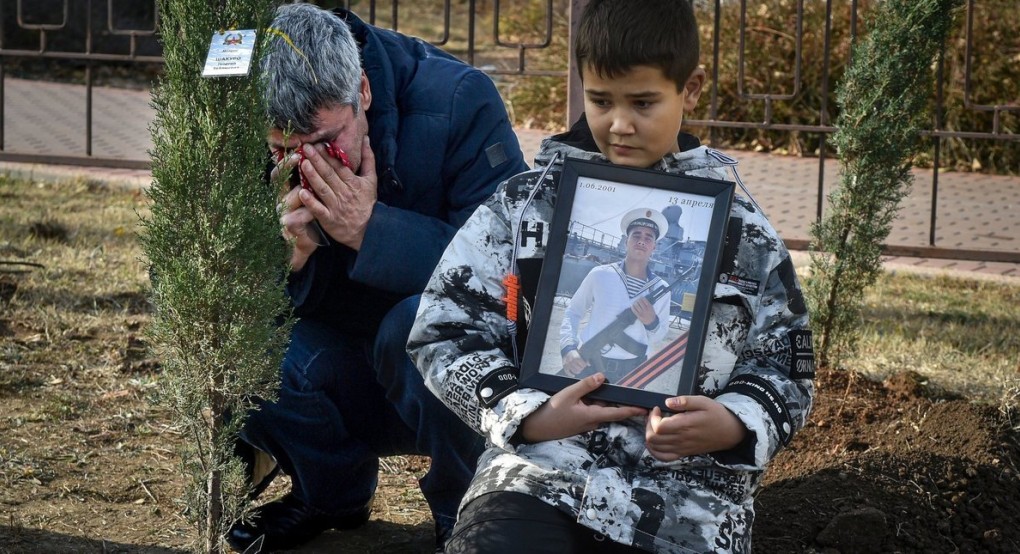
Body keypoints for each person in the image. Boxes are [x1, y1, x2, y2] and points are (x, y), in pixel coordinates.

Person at [407, 1, 815, 552]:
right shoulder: (526, 208)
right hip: (537, 477)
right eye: (600, 100)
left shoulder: (743, 236)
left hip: (688, 503)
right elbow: (444, 329)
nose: (619, 124)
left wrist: (733, 422)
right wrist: (529, 414)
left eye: (643, 102)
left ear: (690, 90)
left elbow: (786, 363)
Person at [227, 4, 528, 553]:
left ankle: (466, 512)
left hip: (442, 381)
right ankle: (329, 493)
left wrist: (373, 232)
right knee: (235, 333)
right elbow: (212, 285)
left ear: (362, 91)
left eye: (326, 140)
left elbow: (511, 275)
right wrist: (280, 265)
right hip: (336, 362)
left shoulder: (459, 99)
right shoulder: (242, 123)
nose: (308, 165)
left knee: (415, 323)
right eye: (285, 151)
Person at [559, 208, 671, 382]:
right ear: (626, 241)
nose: (642, 241)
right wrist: (568, 349)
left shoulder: (661, 288)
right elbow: (573, 311)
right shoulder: (600, 274)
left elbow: (659, 336)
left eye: (648, 237)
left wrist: (651, 322)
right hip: (588, 365)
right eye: (636, 235)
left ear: (654, 246)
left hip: (633, 372)